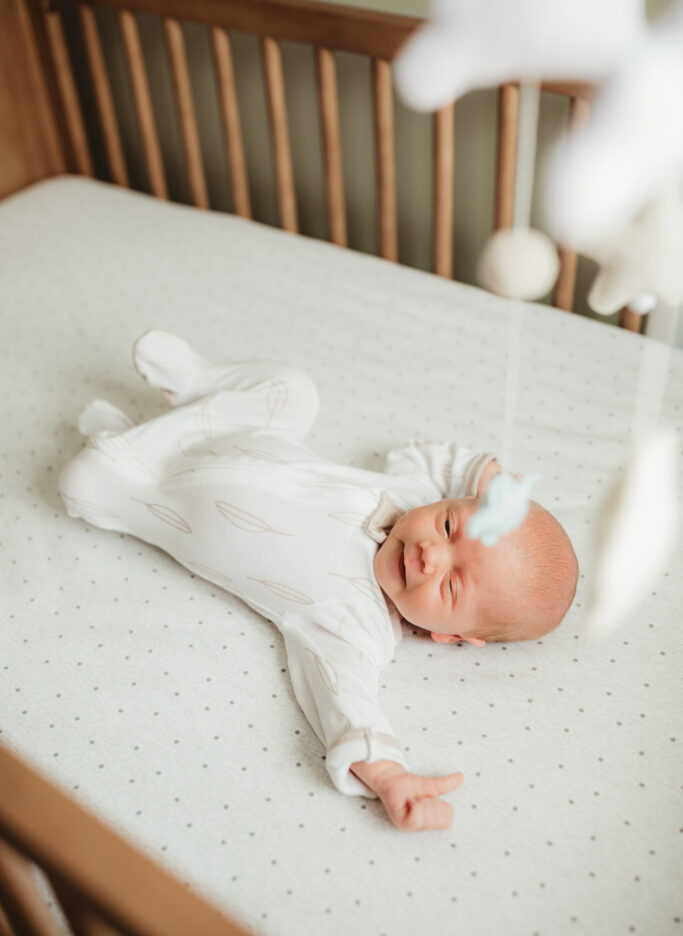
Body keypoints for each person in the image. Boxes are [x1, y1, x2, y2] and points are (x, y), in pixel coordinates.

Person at [59, 331, 578, 832]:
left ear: (451, 636)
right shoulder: (413, 491)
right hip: (229, 430)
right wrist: (483, 474)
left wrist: (388, 772)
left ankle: (130, 445)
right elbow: (422, 455)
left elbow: (346, 697)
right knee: (296, 393)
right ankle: (199, 383)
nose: (429, 553)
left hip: (153, 493)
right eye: (448, 526)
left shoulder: (355, 624)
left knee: (80, 483)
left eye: (450, 585)